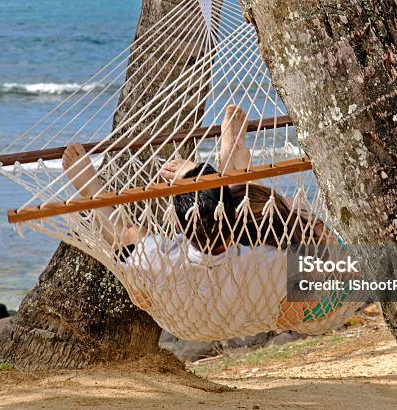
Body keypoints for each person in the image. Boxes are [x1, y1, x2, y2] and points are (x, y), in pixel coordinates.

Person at [62, 105, 349, 340]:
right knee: (279, 215)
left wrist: (192, 182)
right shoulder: (272, 261)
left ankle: (92, 190)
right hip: (273, 297)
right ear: (234, 214)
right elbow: (325, 264)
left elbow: (134, 274)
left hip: (185, 323)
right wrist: (195, 175)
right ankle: (235, 168)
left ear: (177, 222)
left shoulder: (155, 258)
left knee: (130, 234)